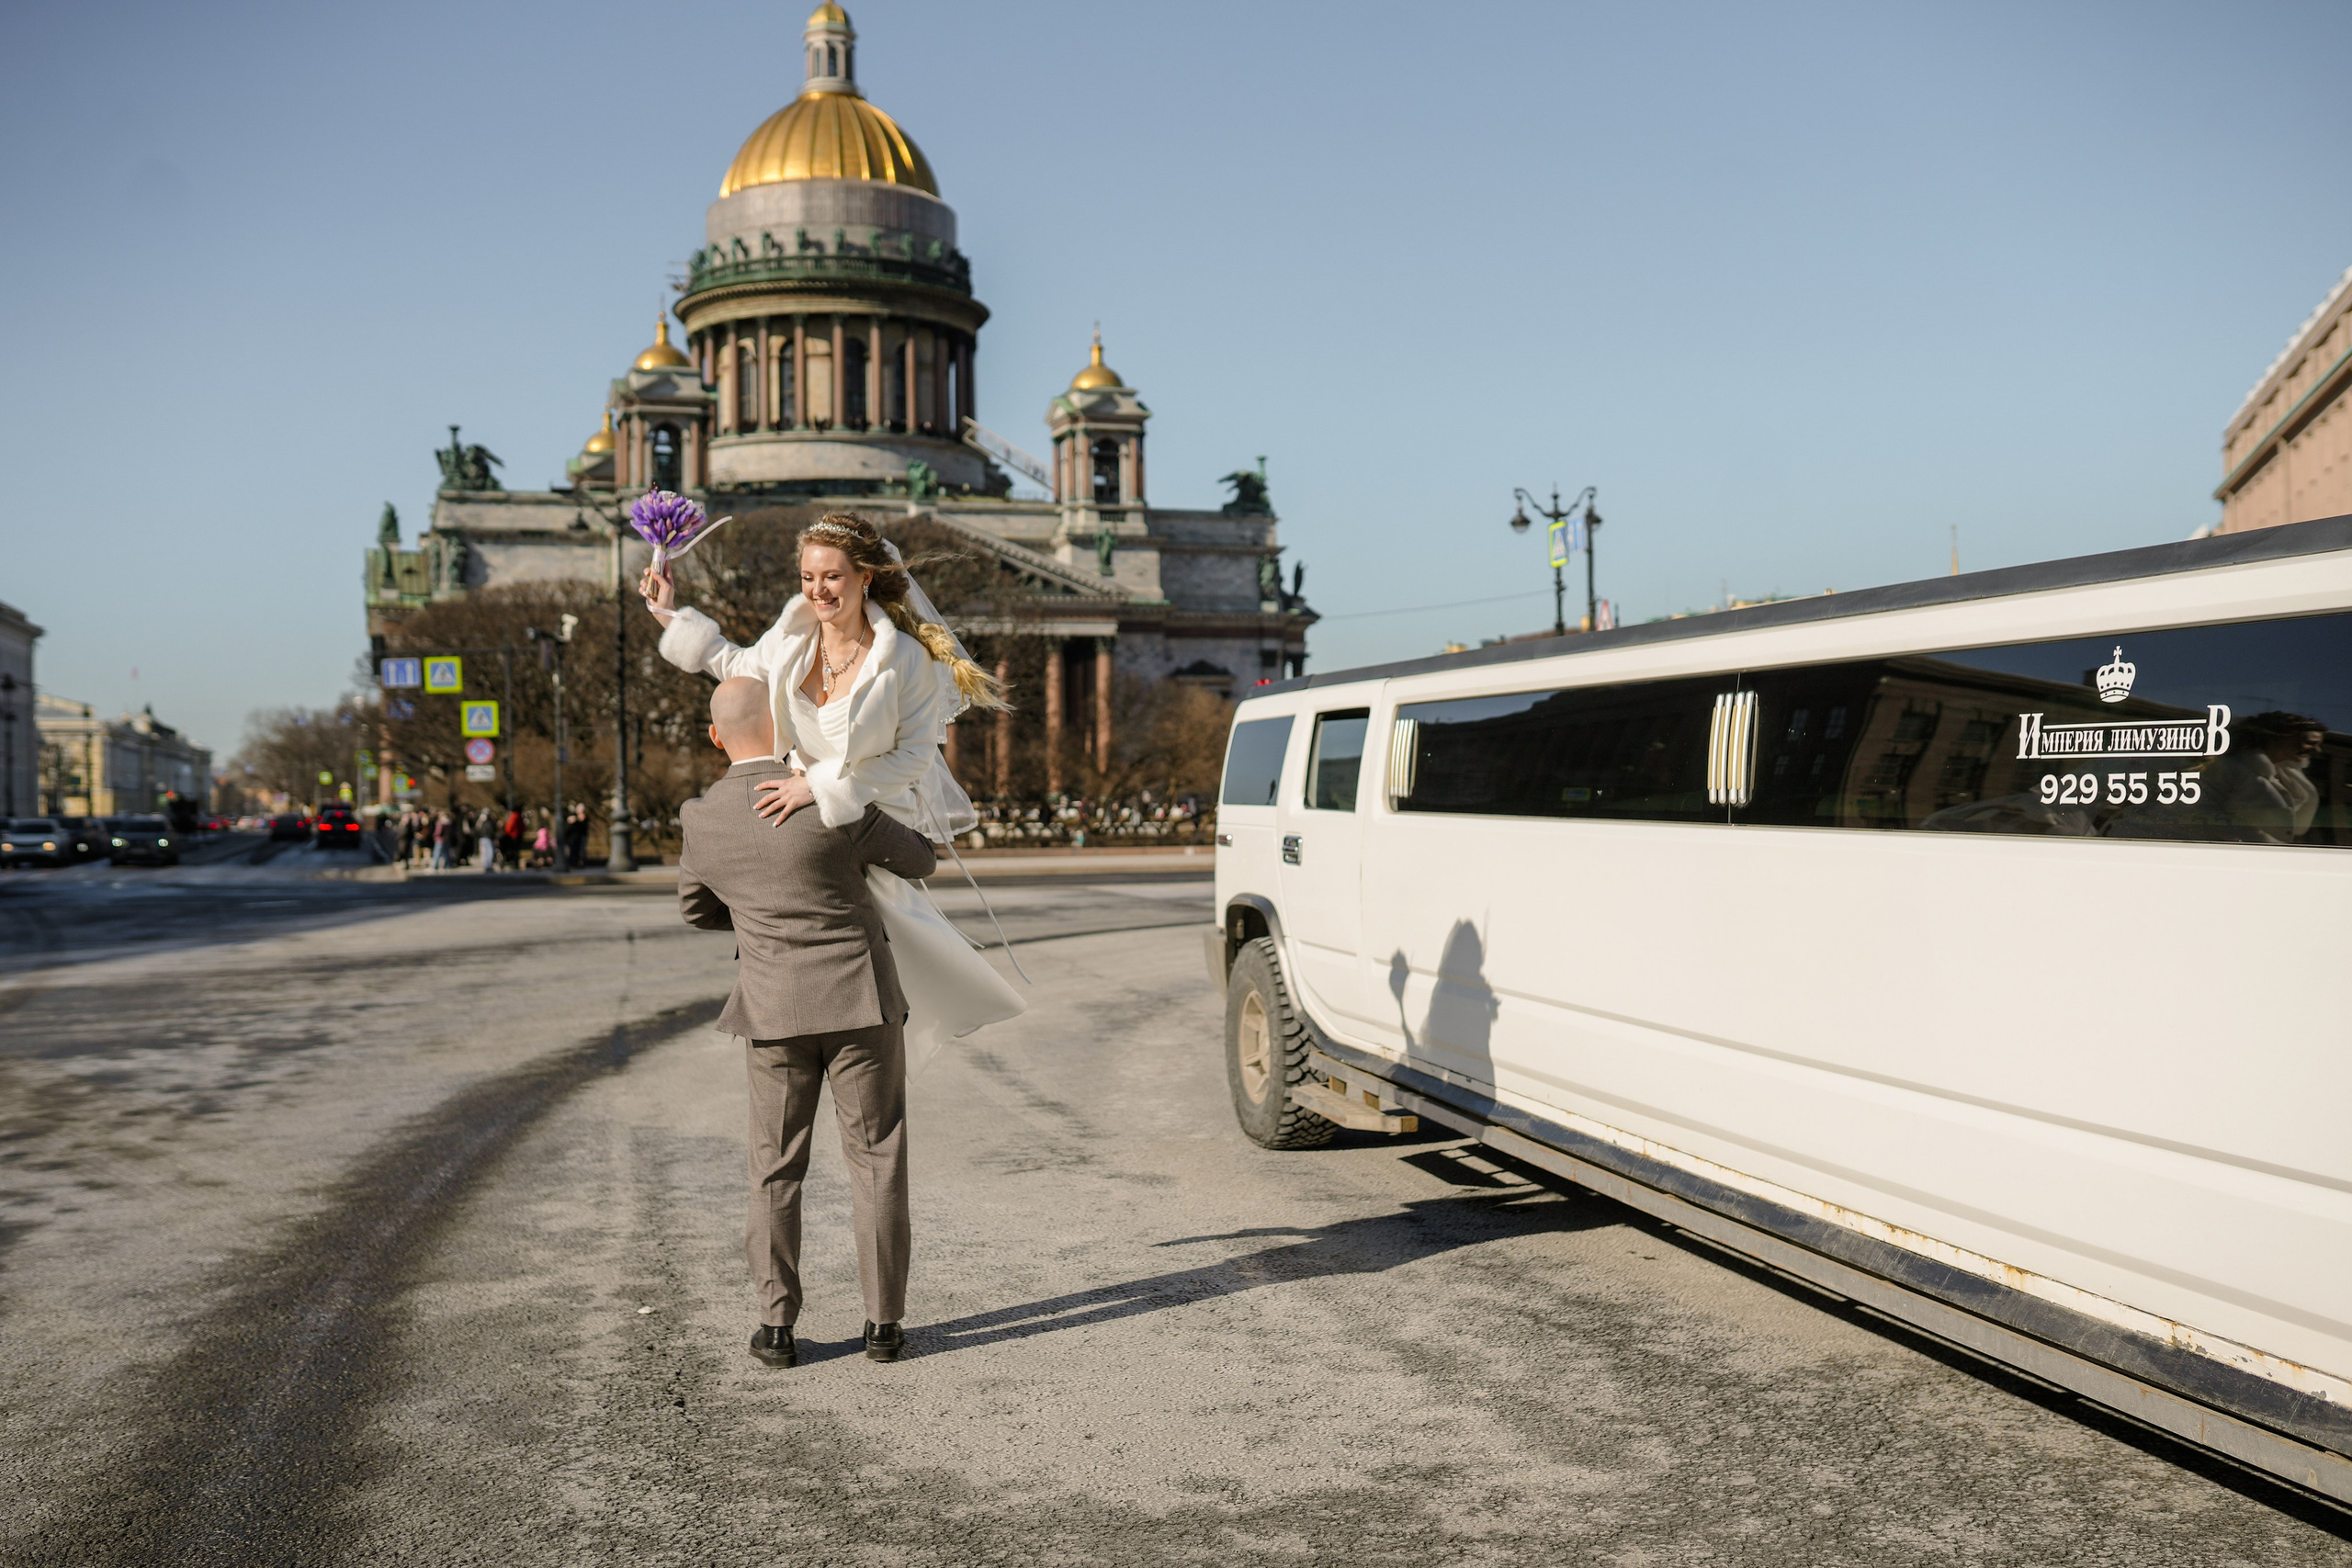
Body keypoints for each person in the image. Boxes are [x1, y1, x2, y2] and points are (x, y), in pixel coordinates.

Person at [642, 509, 1023, 1069]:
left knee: (894, 947)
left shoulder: (907, 661)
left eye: (832, 577)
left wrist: (820, 787)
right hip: (795, 806)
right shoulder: (791, 638)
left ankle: (875, 1038)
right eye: (808, 577)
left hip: (870, 810)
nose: (818, 589)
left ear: (864, 577)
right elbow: (735, 665)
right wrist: (669, 614)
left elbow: (914, 757)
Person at [678, 677, 938, 1369]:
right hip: (860, 1003)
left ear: (714, 736)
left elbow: (695, 909)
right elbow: (921, 859)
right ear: (785, 724)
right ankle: (883, 1325)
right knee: (877, 1159)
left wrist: (755, 915)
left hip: (772, 1012)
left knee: (774, 1169)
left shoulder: (701, 818)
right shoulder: (830, 798)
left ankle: (776, 1328)